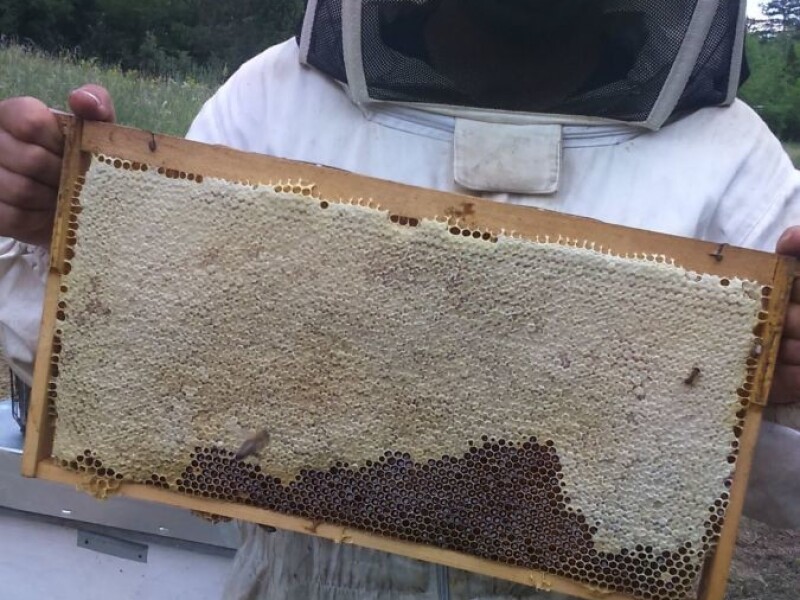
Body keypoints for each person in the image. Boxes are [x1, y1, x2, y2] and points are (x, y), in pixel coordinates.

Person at [1, 1, 799, 598]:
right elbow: (135, 377)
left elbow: (774, 488)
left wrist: (788, 390)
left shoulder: (730, 159)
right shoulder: (277, 99)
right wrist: (69, 233)